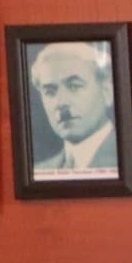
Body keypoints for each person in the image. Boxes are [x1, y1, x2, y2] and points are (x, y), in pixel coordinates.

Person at [28, 42, 117, 177]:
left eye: (74, 86)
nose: (61, 102)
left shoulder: (127, 157)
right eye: (50, 92)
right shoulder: (39, 171)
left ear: (107, 91)